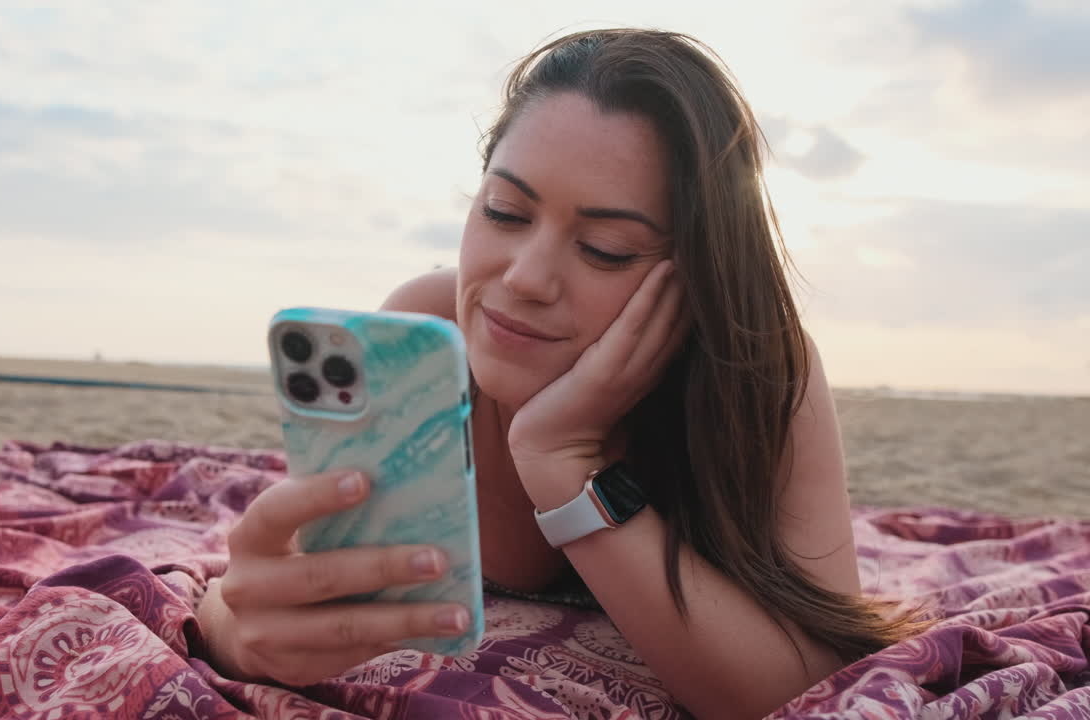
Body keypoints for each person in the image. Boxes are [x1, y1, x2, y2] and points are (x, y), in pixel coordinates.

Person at [196, 28, 929, 718]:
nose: (524, 279)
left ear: (697, 277)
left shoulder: (760, 371)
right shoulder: (431, 334)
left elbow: (812, 685)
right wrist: (239, 631)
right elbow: (275, 590)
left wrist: (563, 462)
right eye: (505, 212)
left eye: (606, 248)